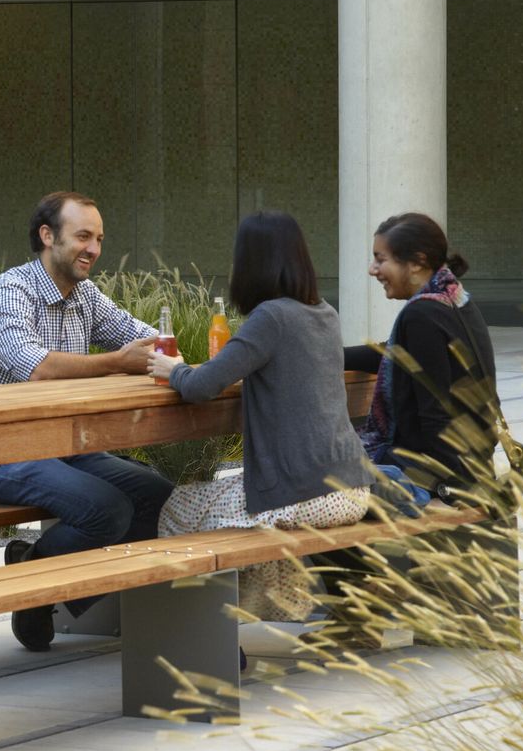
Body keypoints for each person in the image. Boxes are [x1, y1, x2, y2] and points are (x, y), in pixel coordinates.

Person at [0, 191, 172, 652]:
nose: (93, 248)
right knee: (106, 509)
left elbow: (147, 341)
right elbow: (35, 367)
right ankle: (36, 591)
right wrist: (117, 361)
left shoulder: (85, 295)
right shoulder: (11, 291)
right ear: (47, 236)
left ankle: (41, 577)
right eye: (83, 236)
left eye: (99, 238)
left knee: (157, 496)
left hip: (63, 445)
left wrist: (161, 350)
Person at [147, 212, 370, 621]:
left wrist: (172, 369)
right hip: (353, 487)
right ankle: (263, 609)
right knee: (246, 508)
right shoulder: (325, 313)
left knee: (176, 507)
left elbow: (201, 386)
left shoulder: (270, 318)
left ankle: (200, 631)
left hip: (308, 497)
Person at [344, 212, 501, 494]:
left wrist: (445, 491)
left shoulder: (421, 315)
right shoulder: (454, 298)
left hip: (441, 474)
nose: (372, 269)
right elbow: (395, 355)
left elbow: (435, 415)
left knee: (315, 469)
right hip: (472, 461)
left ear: (417, 263)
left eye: (381, 259)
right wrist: (330, 356)